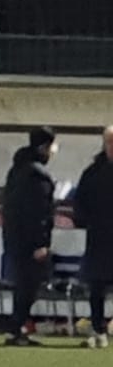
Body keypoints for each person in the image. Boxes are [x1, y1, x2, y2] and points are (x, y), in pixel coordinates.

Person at [2, 126, 58, 347]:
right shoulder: (38, 176)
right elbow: (40, 213)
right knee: (29, 286)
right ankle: (15, 328)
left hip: (14, 237)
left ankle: (16, 329)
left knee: (22, 284)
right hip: (31, 242)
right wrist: (41, 243)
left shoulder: (16, 170)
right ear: (44, 147)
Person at [73, 126, 113, 350]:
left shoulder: (93, 172)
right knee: (97, 287)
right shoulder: (93, 173)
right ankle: (98, 329)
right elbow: (80, 203)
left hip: (101, 236)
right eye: (110, 142)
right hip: (99, 238)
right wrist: (85, 220)